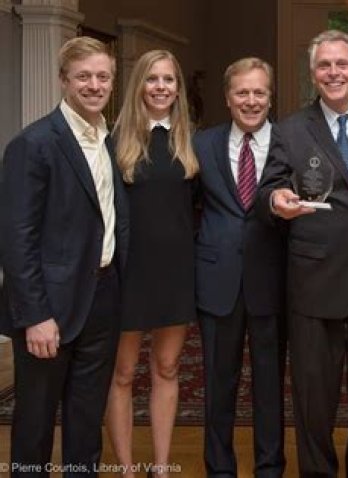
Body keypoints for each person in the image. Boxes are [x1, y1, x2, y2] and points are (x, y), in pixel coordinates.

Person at [256, 30, 348, 477]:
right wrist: (276, 200)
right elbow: (269, 188)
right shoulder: (291, 129)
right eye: (324, 65)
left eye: (341, 64)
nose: (333, 72)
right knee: (313, 394)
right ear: (312, 74)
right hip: (314, 278)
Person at [0, 36, 129, 475]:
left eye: (103, 76)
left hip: (103, 296)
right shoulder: (34, 143)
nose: (94, 85)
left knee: (86, 420)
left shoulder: (107, 139)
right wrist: (35, 314)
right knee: (35, 423)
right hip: (49, 308)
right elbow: (16, 238)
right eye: (83, 76)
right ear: (63, 80)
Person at [105, 49, 198, 477]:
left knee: (167, 367)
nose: (161, 87)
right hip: (128, 273)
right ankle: (127, 469)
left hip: (175, 272)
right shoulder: (113, 142)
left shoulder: (190, 142)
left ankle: (160, 467)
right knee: (123, 373)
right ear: (138, 85)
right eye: (152, 79)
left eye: (168, 79)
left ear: (178, 88)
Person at [193, 57, 287, 478]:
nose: (251, 100)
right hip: (217, 281)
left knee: (270, 386)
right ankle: (219, 468)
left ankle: (270, 468)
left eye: (259, 92)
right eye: (242, 92)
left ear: (271, 97)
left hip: (272, 281)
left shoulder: (291, 142)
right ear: (228, 97)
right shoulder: (202, 144)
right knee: (218, 384)